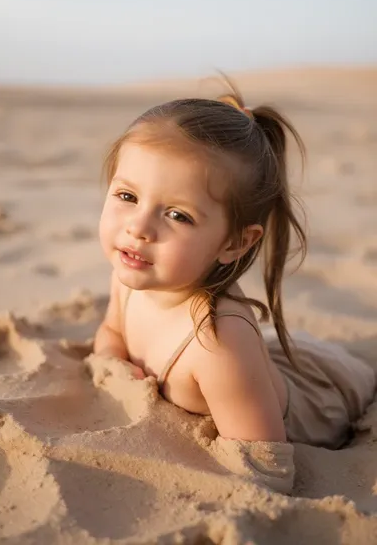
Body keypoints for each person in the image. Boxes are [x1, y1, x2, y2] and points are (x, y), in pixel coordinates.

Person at [94, 79, 375, 450]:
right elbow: (112, 332)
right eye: (127, 195)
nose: (139, 228)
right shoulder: (130, 274)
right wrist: (112, 363)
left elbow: (265, 458)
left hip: (321, 402)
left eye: (178, 215)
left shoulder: (218, 339)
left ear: (235, 242)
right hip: (257, 372)